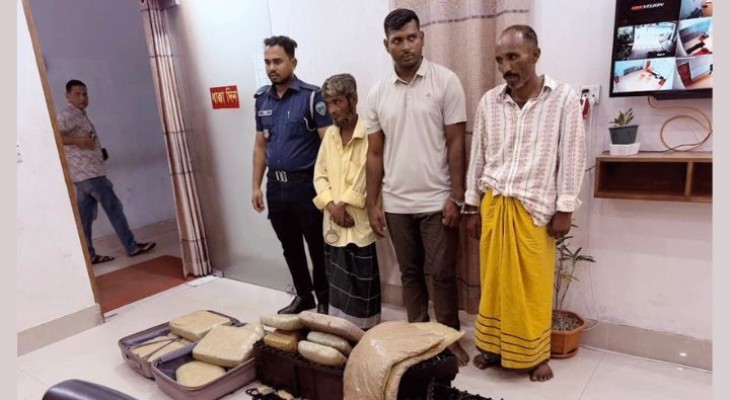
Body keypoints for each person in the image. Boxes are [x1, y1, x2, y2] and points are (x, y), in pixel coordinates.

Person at [464, 25, 586, 382]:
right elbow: (478, 156)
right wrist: (472, 206)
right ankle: (491, 347)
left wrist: (565, 208)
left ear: (535, 54)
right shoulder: (489, 101)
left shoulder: (562, 98)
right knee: (493, 283)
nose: (506, 67)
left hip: (534, 211)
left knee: (532, 286)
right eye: (500, 60)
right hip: (494, 206)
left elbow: (572, 155)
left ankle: (534, 356)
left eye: (513, 57)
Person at [365, 8, 469, 365]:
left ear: (422, 38)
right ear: (387, 45)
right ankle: (418, 339)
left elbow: (456, 142)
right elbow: (374, 153)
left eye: (412, 38)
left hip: (438, 201)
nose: (406, 46)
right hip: (396, 204)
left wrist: (457, 197)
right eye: (398, 40)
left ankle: (449, 339)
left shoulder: (446, 81)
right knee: (410, 274)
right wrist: (373, 203)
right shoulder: (377, 93)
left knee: (442, 274)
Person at [252, 36, 332, 315]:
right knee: (290, 246)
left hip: (306, 186)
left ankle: (325, 300)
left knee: (317, 246)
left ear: (293, 62)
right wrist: (255, 186)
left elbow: (329, 146)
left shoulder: (312, 97)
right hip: (276, 186)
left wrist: (330, 191)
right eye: (267, 62)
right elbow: (260, 145)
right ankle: (303, 296)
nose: (271, 68)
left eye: (277, 61)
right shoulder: (262, 100)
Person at [58, 79, 156, 265]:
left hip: (84, 174)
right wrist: (79, 141)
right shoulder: (66, 115)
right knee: (114, 208)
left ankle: (89, 255)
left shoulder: (80, 115)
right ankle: (132, 247)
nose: (82, 98)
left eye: (85, 94)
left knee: (85, 217)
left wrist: (98, 152)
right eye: (77, 94)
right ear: (67, 96)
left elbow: (84, 141)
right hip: (89, 174)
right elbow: (55, 135)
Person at [312, 73, 381, 330]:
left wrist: (344, 205)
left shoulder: (369, 132)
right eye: (328, 103)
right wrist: (331, 206)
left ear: (353, 99)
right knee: (338, 281)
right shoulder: (330, 135)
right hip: (333, 221)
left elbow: (368, 174)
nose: (332, 110)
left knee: (362, 281)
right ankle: (341, 330)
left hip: (358, 221)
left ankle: (365, 331)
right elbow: (319, 175)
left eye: (337, 102)